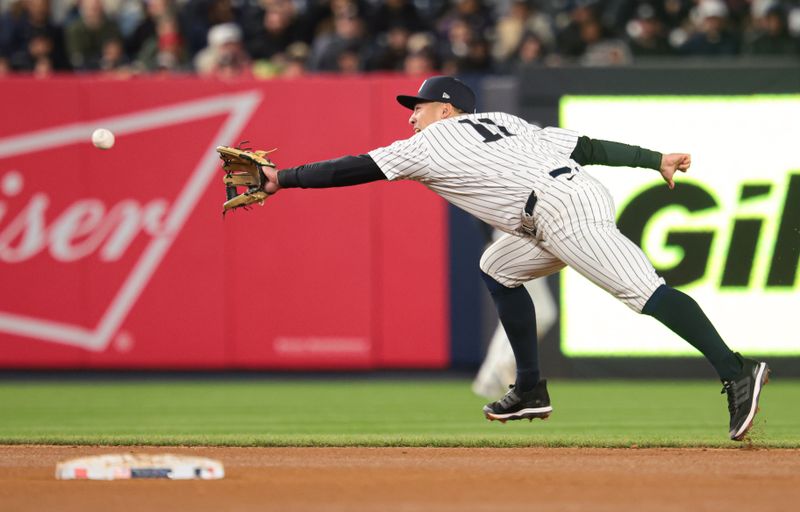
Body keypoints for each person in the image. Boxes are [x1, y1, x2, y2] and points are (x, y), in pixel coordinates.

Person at [256, 75, 770, 441]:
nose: (411, 115)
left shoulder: (432, 140)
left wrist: (284, 178)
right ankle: (528, 387)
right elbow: (584, 146)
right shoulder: (506, 121)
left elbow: (355, 168)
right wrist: (652, 158)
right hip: (557, 205)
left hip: (561, 210)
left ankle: (736, 370)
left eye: (419, 105)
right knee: (496, 267)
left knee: (644, 292)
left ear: (446, 110)